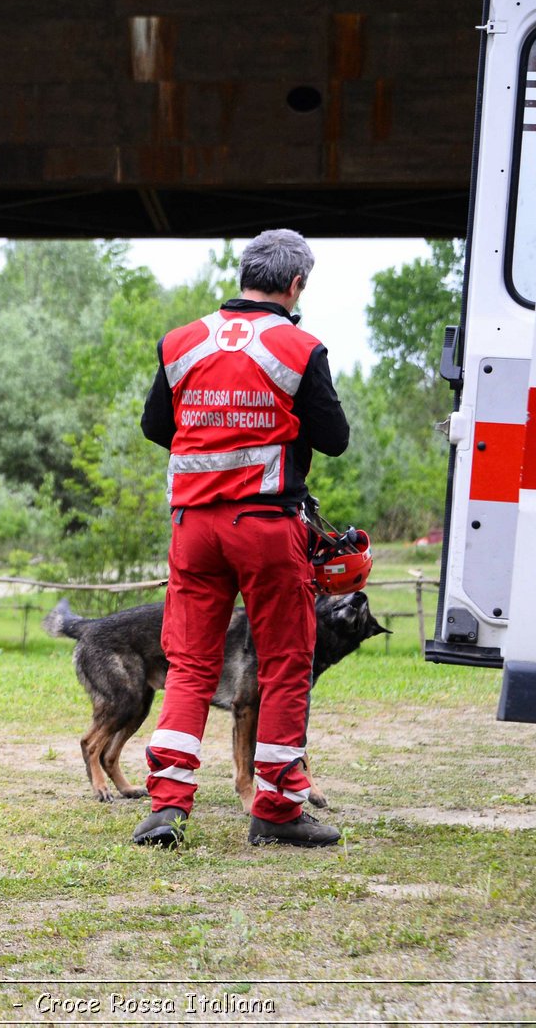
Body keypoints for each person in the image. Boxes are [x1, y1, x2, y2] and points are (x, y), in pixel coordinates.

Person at [132, 228, 349, 849]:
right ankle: (277, 810)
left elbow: (156, 426)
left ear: (244, 274)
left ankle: (166, 807)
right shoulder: (301, 346)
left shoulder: (182, 342)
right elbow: (334, 439)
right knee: (284, 665)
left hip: (194, 529)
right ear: (296, 283)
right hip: (266, 526)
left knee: (191, 666)